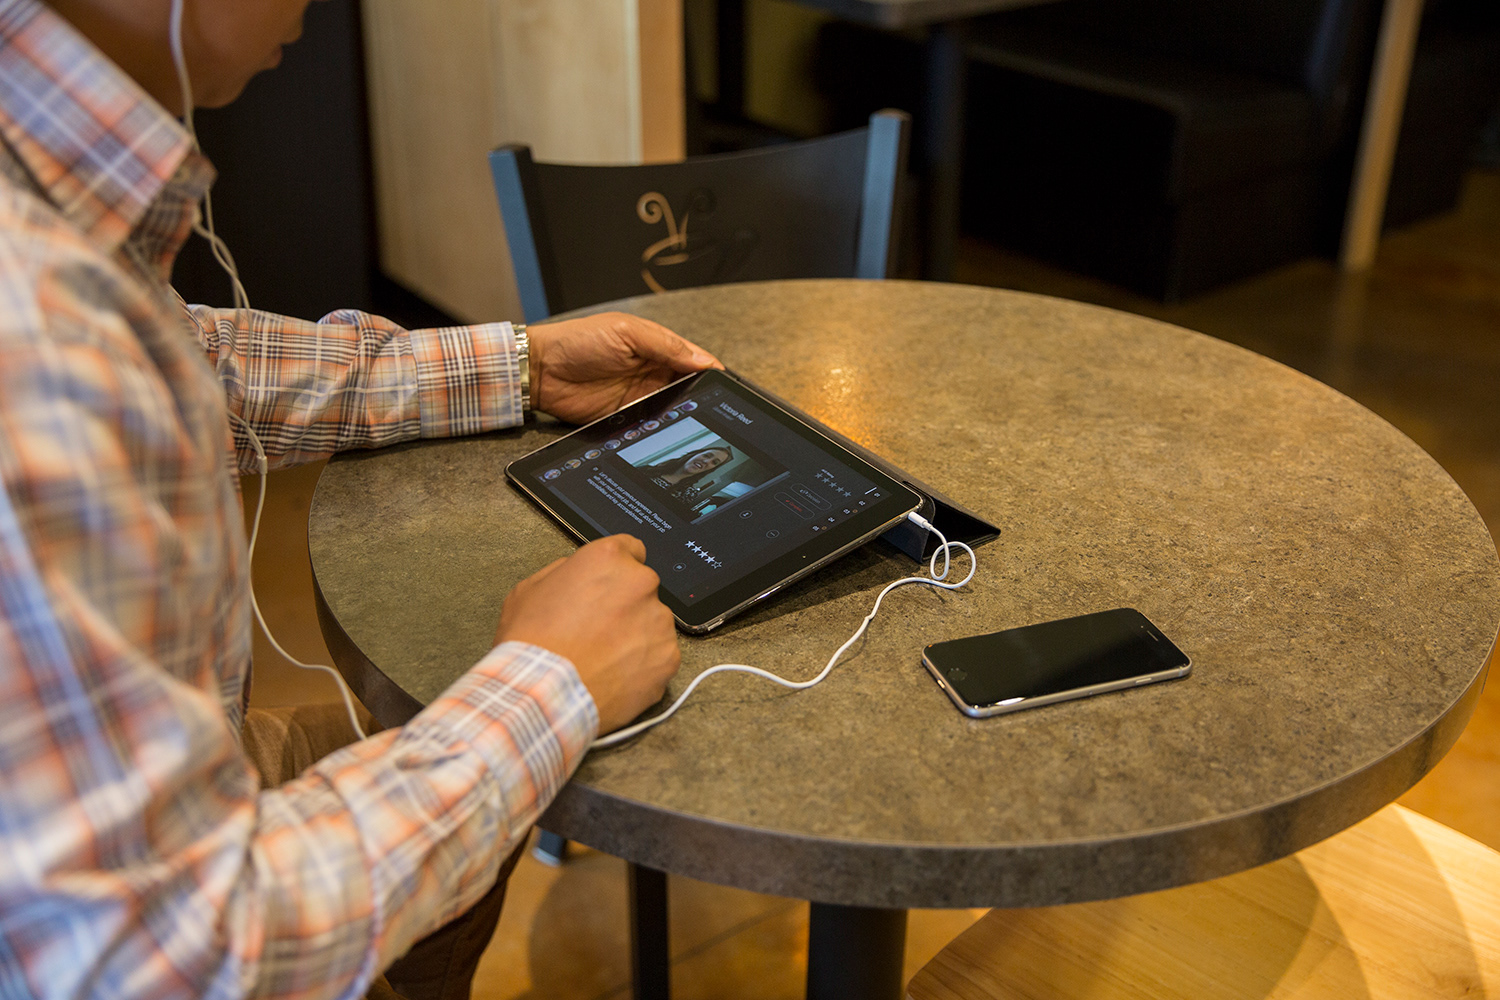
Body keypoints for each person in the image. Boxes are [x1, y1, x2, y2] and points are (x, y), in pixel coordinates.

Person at [0, 1, 721, 997]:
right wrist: (546, 684)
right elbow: (167, 955)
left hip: (173, 791)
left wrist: (517, 367)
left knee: (451, 739)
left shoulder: (53, 214)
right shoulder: (35, 328)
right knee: (498, 738)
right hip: (182, 919)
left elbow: (186, 357)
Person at [646, 445, 734, 488]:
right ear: (695, 454)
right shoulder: (648, 469)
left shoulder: (688, 495)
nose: (706, 461)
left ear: (711, 469)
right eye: (706, 455)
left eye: (714, 462)